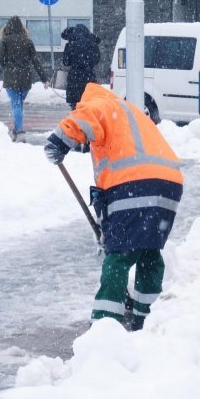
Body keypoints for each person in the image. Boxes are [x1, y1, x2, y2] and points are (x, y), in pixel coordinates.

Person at [43, 83, 184, 331]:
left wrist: (59, 141)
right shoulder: (128, 111)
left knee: (119, 255)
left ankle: (105, 325)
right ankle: (147, 317)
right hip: (168, 185)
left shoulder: (100, 103)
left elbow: (85, 118)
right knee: (148, 251)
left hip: (135, 184)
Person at [0, 16, 49, 140]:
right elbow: (36, 61)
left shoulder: (5, 40)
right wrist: (44, 78)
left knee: (16, 105)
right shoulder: (28, 41)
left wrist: (2, 61)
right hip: (25, 78)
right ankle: (17, 129)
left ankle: (19, 131)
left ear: (8, 27)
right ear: (22, 28)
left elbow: (1, 61)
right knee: (19, 105)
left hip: (11, 77)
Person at [60, 24, 101, 110]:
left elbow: (66, 62)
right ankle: (87, 122)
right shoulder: (93, 44)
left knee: (75, 107)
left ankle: (76, 121)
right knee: (88, 106)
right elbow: (97, 60)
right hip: (89, 78)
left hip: (74, 79)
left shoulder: (71, 44)